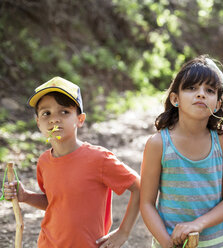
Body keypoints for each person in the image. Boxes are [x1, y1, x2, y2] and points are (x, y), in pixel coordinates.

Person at [3, 76, 140, 248]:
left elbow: (139, 187)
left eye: (64, 112)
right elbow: (56, 203)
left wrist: (124, 232)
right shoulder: (44, 161)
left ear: (80, 119)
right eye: (46, 113)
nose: (54, 119)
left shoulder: (99, 159)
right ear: (38, 122)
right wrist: (25, 196)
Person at [140, 55, 223, 248]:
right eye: (191, 88)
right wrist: (167, 243)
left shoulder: (222, 141)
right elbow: (146, 204)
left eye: (209, 90)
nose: (201, 94)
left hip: (216, 244)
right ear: (175, 99)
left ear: (217, 103)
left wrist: (196, 225)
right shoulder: (158, 144)